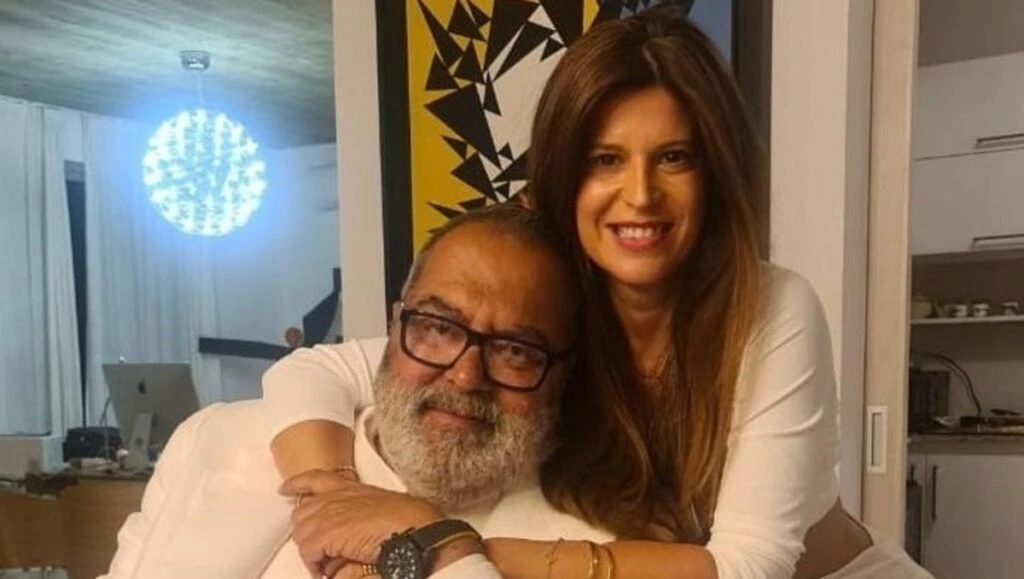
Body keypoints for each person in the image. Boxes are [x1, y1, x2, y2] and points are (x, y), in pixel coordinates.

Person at [264, 7, 933, 579]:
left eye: (674, 158)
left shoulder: (770, 309)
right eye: (605, 160)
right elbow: (317, 369)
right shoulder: (561, 291)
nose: (639, 195)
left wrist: (440, 542)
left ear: (715, 174)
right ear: (565, 174)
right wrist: (334, 499)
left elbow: (746, 568)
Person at [100, 204, 615, 579]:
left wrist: (438, 548)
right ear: (394, 327)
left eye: (515, 350)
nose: (464, 376)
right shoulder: (213, 439)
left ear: (562, 375)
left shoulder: (594, 541)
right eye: (438, 328)